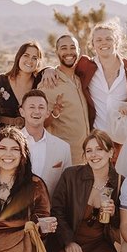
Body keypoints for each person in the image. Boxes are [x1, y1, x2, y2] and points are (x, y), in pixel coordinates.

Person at [46, 130, 127, 252]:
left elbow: (121, 224)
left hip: (99, 243)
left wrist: (114, 213)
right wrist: (69, 241)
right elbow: (57, 210)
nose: (94, 155)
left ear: (110, 152)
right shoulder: (71, 176)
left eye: (99, 149)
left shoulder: (119, 182)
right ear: (84, 155)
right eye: (89, 150)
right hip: (69, 239)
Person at [44, 34, 92, 164]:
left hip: (86, 157)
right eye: (64, 48)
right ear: (57, 52)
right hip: (64, 159)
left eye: (72, 47)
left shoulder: (80, 80)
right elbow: (39, 123)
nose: (69, 52)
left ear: (78, 51)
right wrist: (54, 113)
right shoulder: (49, 83)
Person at [20, 89, 72, 195]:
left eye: (41, 107)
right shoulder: (8, 143)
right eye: (31, 107)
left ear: (47, 113)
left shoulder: (63, 148)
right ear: (22, 112)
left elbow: (67, 187)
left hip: (50, 209)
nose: (37, 111)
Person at [0, 41, 44, 132]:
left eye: (34, 58)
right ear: (18, 57)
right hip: (1, 139)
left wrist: (49, 69)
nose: (30, 60)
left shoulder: (40, 84)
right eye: (26, 55)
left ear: (38, 62)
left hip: (31, 139)